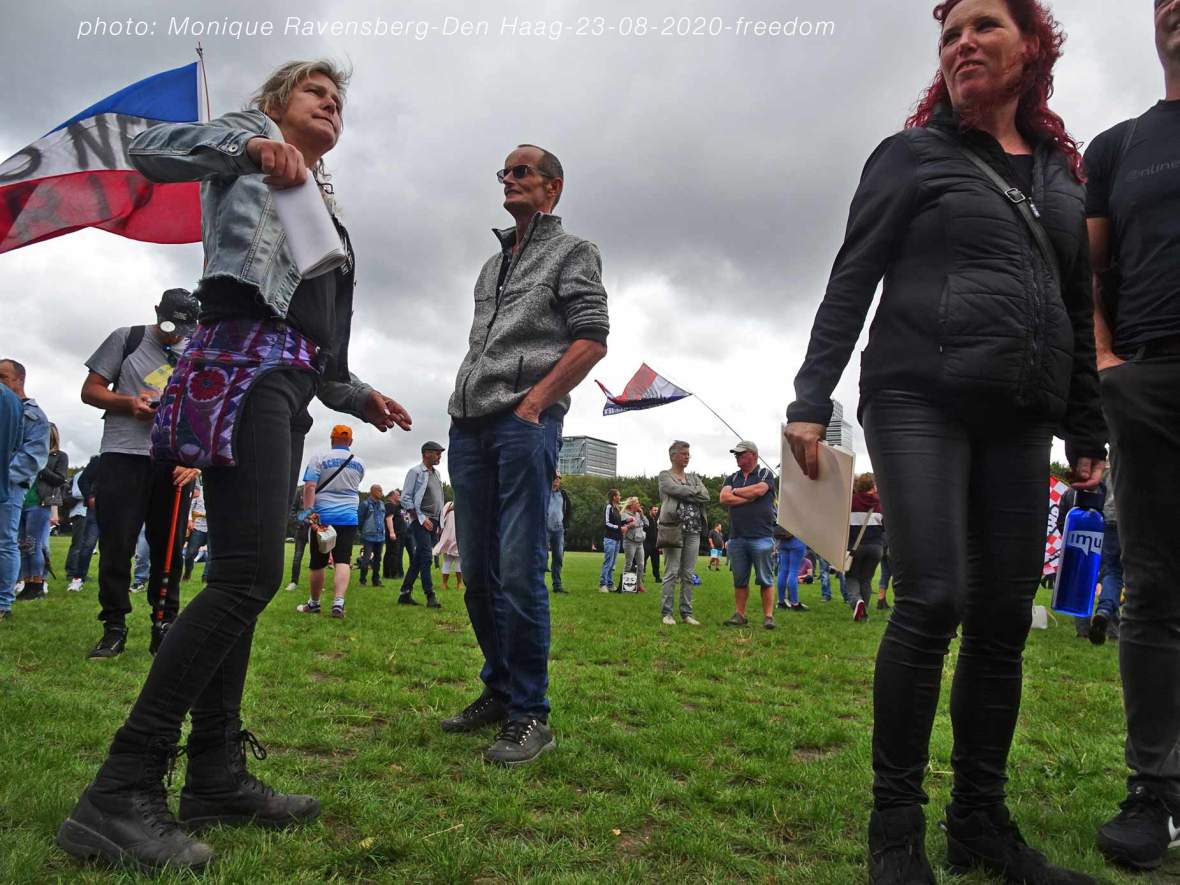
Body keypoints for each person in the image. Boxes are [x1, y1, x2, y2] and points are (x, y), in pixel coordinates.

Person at [56, 60, 411, 872]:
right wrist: (250, 148)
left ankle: (214, 772)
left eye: (339, 101)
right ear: (276, 103)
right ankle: (121, 786)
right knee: (248, 574)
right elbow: (151, 151)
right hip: (240, 368)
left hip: (287, 383)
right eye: (316, 93)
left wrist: (361, 396)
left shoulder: (327, 213)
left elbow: (319, 347)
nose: (331, 106)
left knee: (246, 579)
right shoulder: (248, 139)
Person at [783, 3, 1106, 881]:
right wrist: (810, 398)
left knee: (1003, 619)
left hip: (1023, 411)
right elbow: (852, 276)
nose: (962, 42)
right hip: (916, 394)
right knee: (932, 596)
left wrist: (1086, 422)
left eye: (983, 26)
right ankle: (895, 829)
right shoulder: (911, 155)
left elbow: (1076, 304)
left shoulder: (1061, 177)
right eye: (950, 32)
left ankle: (979, 823)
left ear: (1032, 47)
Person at [443, 143, 609, 766]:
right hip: (469, 426)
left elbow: (593, 338)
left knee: (517, 571)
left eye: (522, 172)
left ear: (553, 187)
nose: (508, 180)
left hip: (522, 424)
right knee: (477, 573)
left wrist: (535, 403)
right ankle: (500, 688)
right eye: (504, 173)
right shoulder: (491, 266)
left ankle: (530, 714)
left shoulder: (573, 252)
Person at [1088, 3, 1180, 867]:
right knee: (1153, 588)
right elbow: (1088, 269)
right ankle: (1157, 791)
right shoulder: (1119, 148)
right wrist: (1106, 361)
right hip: (1150, 378)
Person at [81, 289, 201, 658]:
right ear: (157, 312)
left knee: (169, 547)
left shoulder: (198, 349)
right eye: (169, 326)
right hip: (123, 454)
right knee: (117, 544)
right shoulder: (127, 338)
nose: (175, 336)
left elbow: (206, 408)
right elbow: (90, 391)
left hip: (173, 461)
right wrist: (128, 402)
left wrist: (194, 460)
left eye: (184, 330)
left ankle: (164, 624)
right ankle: (114, 626)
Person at [297, 425, 365, 618]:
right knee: (342, 559)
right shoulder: (359, 462)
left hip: (322, 518)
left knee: (318, 562)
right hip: (348, 517)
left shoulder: (319, 457)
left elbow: (310, 487)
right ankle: (338, 603)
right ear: (350, 441)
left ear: (331, 439)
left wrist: (309, 512)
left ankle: (314, 603)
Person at [0, 360, 49, 622]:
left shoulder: (34, 416)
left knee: (5, 542)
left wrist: (4, 475)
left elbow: (33, 457)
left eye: (3, 376)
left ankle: (3, 603)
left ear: (20, 379)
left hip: (10, 487)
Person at [720, 441, 778, 630]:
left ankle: (768, 616)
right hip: (736, 537)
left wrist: (736, 492)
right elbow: (723, 498)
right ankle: (740, 614)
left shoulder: (765, 474)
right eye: (735, 454)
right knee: (739, 579)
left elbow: (759, 490)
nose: (736, 457)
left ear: (753, 455)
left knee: (765, 578)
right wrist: (749, 497)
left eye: (740, 454)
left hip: (761, 535)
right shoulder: (731, 477)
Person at [658, 441, 709, 627]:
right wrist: (694, 492)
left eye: (688, 454)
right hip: (673, 528)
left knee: (688, 574)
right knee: (671, 572)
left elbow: (706, 495)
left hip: (694, 530)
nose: (688, 457)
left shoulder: (694, 477)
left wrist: (688, 492)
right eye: (684, 454)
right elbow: (674, 489)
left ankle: (686, 613)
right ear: (673, 456)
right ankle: (667, 613)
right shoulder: (665, 476)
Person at [17, 423, 68, 599]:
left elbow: (59, 479)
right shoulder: (29, 454)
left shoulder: (59, 456)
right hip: (22, 502)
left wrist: (40, 467)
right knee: (23, 546)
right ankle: (27, 583)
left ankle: (38, 584)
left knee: (34, 545)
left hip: (40, 504)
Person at [399, 441, 445, 608]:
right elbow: (405, 498)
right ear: (426, 453)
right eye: (437, 453)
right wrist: (421, 518)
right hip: (421, 521)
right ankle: (430, 595)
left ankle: (405, 593)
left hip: (434, 521)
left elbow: (439, 499)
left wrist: (440, 522)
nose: (439, 456)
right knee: (426, 556)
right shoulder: (415, 472)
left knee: (418, 559)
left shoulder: (437, 474)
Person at [845, 474, 884, 623]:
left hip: (856, 547)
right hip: (876, 548)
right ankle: (864, 612)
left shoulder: (850, 502)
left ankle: (857, 602)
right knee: (866, 579)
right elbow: (885, 527)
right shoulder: (880, 504)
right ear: (872, 487)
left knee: (852, 576)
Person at [65, 455, 101, 592]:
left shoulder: (124, 462)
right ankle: (78, 578)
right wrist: (90, 496)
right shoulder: (99, 460)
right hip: (97, 509)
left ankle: (110, 580)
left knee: (113, 547)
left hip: (116, 510)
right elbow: (83, 480)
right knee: (87, 544)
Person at [773, 523, 809, 612]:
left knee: (783, 571)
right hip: (797, 540)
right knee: (793, 571)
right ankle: (795, 603)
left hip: (782, 541)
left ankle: (781, 602)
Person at [546, 473, 572, 594]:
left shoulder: (563, 494)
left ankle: (557, 585)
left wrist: (565, 525)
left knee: (558, 557)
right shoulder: (544, 492)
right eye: (555, 478)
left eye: (558, 478)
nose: (557, 480)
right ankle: (538, 584)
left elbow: (569, 510)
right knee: (542, 557)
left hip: (559, 530)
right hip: (544, 529)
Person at [356, 483, 385, 587]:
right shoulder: (365, 504)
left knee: (378, 559)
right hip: (368, 537)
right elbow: (360, 520)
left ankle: (376, 581)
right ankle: (362, 581)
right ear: (372, 491)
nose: (381, 493)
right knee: (366, 559)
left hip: (380, 537)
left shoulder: (382, 504)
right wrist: (362, 532)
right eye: (379, 490)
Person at [181, 482, 209, 582]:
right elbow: (190, 506)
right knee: (190, 553)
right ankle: (187, 573)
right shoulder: (199, 491)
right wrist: (189, 520)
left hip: (212, 527)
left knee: (212, 554)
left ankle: (206, 577)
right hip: (198, 527)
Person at [619, 496, 648, 592]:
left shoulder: (639, 514)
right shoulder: (624, 514)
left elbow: (647, 524)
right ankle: (625, 586)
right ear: (632, 505)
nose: (639, 504)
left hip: (640, 542)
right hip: (629, 542)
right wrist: (630, 525)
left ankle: (639, 585)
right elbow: (624, 525)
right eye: (637, 503)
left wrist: (642, 514)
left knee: (641, 564)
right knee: (629, 564)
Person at [285, 483, 310, 591]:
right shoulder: (300, 491)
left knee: (316, 559)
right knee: (297, 557)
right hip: (301, 530)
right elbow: (292, 511)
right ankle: (294, 582)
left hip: (315, 530)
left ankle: (316, 583)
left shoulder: (319, 491)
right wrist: (299, 522)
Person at [434, 500, 463, 590]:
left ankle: (445, 584)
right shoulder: (463, 503)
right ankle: (459, 584)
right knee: (457, 561)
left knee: (448, 561)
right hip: (457, 536)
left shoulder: (448, 505)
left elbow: (441, 520)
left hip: (448, 537)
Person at [598, 489, 623, 593]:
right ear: (614, 497)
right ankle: (602, 584)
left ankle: (610, 584)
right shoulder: (608, 507)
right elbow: (606, 523)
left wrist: (626, 522)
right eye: (619, 495)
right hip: (610, 539)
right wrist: (619, 528)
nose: (620, 497)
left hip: (617, 539)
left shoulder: (617, 508)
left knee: (613, 564)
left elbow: (618, 523)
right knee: (608, 562)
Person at [381, 489, 405, 580]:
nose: (399, 496)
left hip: (398, 534)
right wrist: (392, 532)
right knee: (393, 554)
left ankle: (388, 574)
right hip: (394, 534)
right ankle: (393, 574)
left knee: (392, 553)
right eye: (398, 495)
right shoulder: (389, 505)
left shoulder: (395, 506)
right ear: (392, 496)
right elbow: (389, 519)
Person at [643, 503, 662, 584]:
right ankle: (641, 576)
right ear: (650, 510)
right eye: (654, 510)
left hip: (655, 544)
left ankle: (657, 577)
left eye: (657, 510)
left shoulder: (658, 520)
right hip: (646, 543)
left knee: (656, 562)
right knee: (643, 561)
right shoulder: (646, 518)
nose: (656, 512)